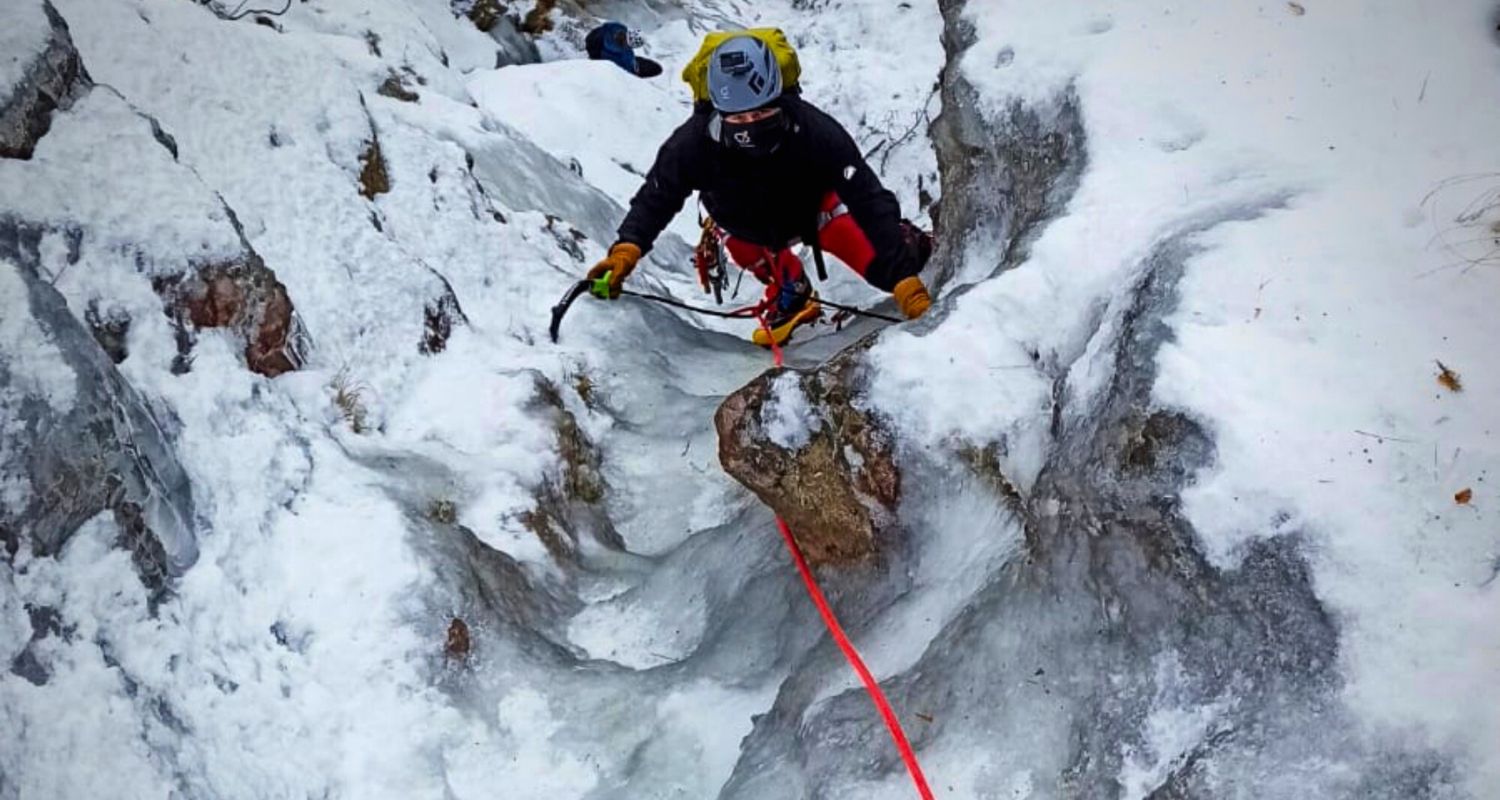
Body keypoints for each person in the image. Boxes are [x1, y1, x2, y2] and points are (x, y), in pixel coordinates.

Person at [586, 33, 933, 346]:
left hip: (816, 215)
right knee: (745, 245)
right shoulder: (692, 144)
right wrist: (625, 250)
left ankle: (908, 243)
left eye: (762, 113)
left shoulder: (813, 129)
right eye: (738, 118)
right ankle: (793, 289)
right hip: (746, 230)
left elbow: (866, 197)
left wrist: (903, 276)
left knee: (893, 269)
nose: (750, 126)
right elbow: (658, 197)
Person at [584, 22, 663, 79]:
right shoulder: (621, 57)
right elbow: (625, 74)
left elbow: (606, 26)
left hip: (593, 40)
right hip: (602, 56)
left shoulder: (618, 27)